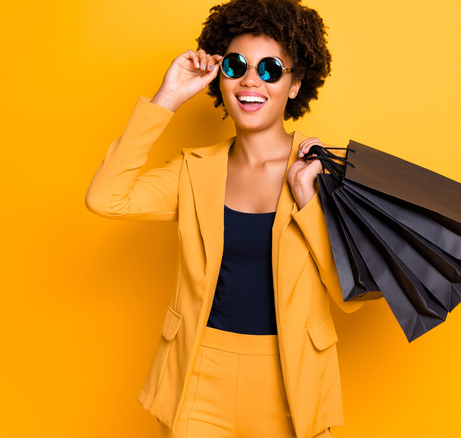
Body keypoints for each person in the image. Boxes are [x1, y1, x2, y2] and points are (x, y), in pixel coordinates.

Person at [85, 1, 365, 437]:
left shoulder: (322, 173)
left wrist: (308, 200)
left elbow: (349, 295)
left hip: (292, 384)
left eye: (271, 69)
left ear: (295, 85)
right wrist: (167, 98)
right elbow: (107, 199)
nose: (251, 80)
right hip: (198, 378)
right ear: (221, 74)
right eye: (237, 66)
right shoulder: (193, 170)